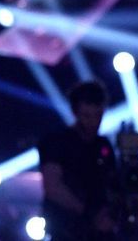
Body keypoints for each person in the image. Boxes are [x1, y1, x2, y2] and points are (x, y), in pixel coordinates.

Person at [37, 80, 117, 240]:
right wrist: (89, 213)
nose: (93, 122)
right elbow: (52, 187)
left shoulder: (103, 145)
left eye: (98, 115)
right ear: (75, 113)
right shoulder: (57, 141)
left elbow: (112, 184)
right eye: (87, 116)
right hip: (66, 231)